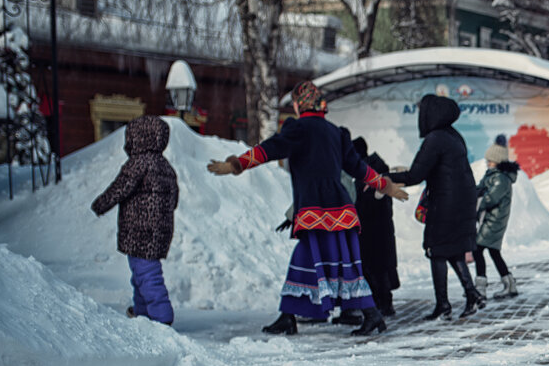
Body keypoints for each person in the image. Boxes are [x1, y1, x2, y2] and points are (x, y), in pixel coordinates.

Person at [207, 80, 408, 336]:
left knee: (306, 259)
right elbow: (358, 168)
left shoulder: (298, 128)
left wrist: (237, 164)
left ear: (298, 104)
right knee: (343, 264)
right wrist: (385, 186)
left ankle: (294, 317)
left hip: (315, 211)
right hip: (342, 211)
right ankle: (365, 315)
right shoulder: (336, 132)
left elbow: (270, 149)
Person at [391, 94, 484, 320]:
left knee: (436, 251)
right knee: (452, 249)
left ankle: (443, 305)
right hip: (461, 202)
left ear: (429, 114)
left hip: (445, 205)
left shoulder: (435, 139)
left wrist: (385, 177)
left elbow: (416, 175)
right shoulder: (453, 135)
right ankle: (472, 294)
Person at [91, 114, 179, 325]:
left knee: (147, 275)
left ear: (138, 138)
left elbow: (120, 187)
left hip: (139, 230)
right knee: (141, 273)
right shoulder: (166, 166)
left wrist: (101, 204)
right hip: (160, 231)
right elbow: (173, 199)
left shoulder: (138, 163)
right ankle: (142, 312)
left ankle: (161, 317)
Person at [352, 137, 400, 316]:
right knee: (377, 267)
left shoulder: (370, 173)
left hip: (374, 227)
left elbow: (372, 201)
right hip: (377, 227)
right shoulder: (372, 170)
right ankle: (382, 303)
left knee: (376, 268)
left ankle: (384, 304)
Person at [473, 135, 520, 300]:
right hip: (490, 219)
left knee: (478, 249)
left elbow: (491, 198)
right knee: (494, 252)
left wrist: (476, 203)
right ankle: (510, 284)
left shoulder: (501, 178)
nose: (488, 162)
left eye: (491, 160)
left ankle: (480, 289)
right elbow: (480, 189)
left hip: (494, 221)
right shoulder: (492, 175)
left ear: (498, 161)